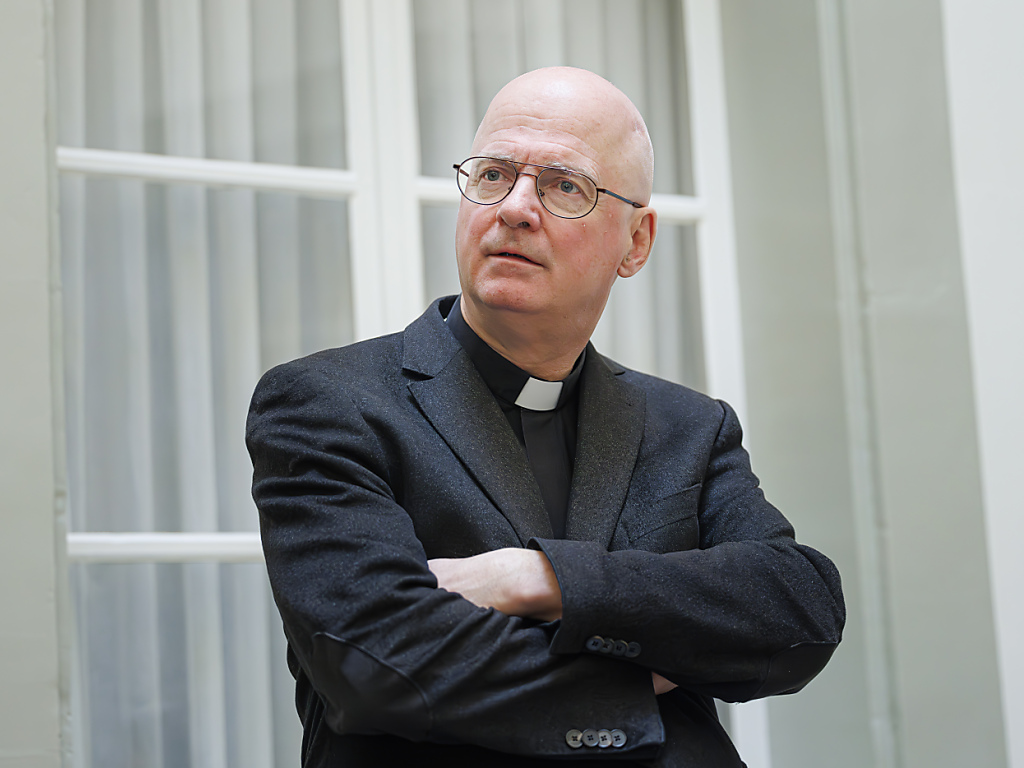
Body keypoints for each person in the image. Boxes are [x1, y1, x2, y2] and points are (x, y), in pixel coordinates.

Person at [247, 66, 845, 767]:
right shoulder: (327, 403)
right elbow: (379, 663)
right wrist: (649, 669)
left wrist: (540, 580)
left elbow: (797, 608)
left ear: (637, 242)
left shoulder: (689, 427)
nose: (515, 208)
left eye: (564, 185)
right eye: (494, 174)